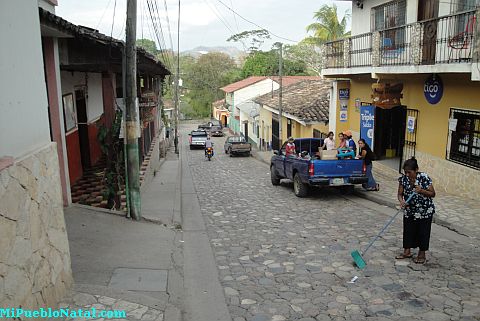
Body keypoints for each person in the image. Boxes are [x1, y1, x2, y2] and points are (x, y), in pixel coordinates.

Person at [396, 157, 436, 264]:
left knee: (423, 231)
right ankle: (407, 251)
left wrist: (421, 190)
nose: (407, 174)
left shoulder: (424, 177)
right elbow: (400, 194)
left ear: (416, 169)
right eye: (405, 172)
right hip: (410, 210)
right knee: (408, 230)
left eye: (409, 172)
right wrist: (402, 201)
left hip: (424, 211)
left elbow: (433, 194)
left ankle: (421, 254)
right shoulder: (403, 179)